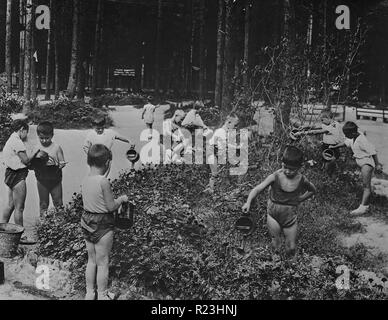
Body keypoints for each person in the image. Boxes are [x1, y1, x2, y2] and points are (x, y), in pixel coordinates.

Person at [242, 146, 316, 259]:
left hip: (290, 218)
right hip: (273, 215)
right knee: (276, 243)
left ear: (299, 167)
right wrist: (248, 202)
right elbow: (257, 189)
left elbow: (312, 190)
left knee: (291, 247)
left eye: (292, 169)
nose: (287, 171)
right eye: (285, 167)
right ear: (282, 163)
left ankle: (290, 267)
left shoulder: (301, 179)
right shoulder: (275, 176)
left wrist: (300, 199)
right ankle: (275, 264)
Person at [81, 144, 128, 300]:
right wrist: (120, 199)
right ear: (107, 162)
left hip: (87, 221)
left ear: (89, 161)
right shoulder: (103, 182)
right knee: (103, 262)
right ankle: (102, 295)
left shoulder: (86, 179)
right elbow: (110, 206)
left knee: (91, 260)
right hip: (103, 223)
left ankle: (89, 293)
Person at [329, 121, 383, 215]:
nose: (346, 136)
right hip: (362, 163)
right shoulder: (354, 137)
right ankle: (366, 204)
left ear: (353, 133)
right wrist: (335, 146)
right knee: (365, 184)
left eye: (347, 134)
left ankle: (363, 207)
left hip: (366, 164)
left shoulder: (362, 140)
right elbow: (346, 143)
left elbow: (373, 151)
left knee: (366, 186)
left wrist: (377, 164)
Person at [1, 120, 39, 241]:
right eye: (26, 132)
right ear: (22, 129)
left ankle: (2, 229)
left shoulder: (11, 140)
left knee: (11, 204)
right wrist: (35, 152)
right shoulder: (17, 142)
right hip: (17, 175)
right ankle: (21, 236)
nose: (26, 135)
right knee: (19, 207)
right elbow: (26, 161)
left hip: (10, 174)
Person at [32, 121, 66, 217]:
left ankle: (61, 224)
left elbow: (62, 162)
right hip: (42, 178)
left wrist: (59, 164)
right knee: (43, 204)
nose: (44, 141)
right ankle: (43, 225)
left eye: (47, 138)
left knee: (58, 203)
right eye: (41, 138)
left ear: (52, 135)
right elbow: (31, 164)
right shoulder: (36, 148)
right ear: (38, 135)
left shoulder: (56, 147)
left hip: (55, 178)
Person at [294, 110, 344, 176]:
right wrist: (305, 127)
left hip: (332, 147)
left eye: (322, 120)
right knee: (325, 162)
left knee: (329, 163)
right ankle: (327, 175)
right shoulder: (332, 123)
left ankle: (328, 176)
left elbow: (316, 132)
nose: (321, 122)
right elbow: (316, 126)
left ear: (328, 118)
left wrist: (302, 133)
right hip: (327, 146)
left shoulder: (332, 127)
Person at [205, 114, 240, 193]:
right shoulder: (221, 131)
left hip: (216, 151)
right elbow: (223, 146)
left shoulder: (226, 131)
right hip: (211, 152)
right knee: (215, 172)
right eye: (235, 125)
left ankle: (214, 189)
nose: (236, 127)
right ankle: (211, 189)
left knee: (220, 171)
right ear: (229, 122)